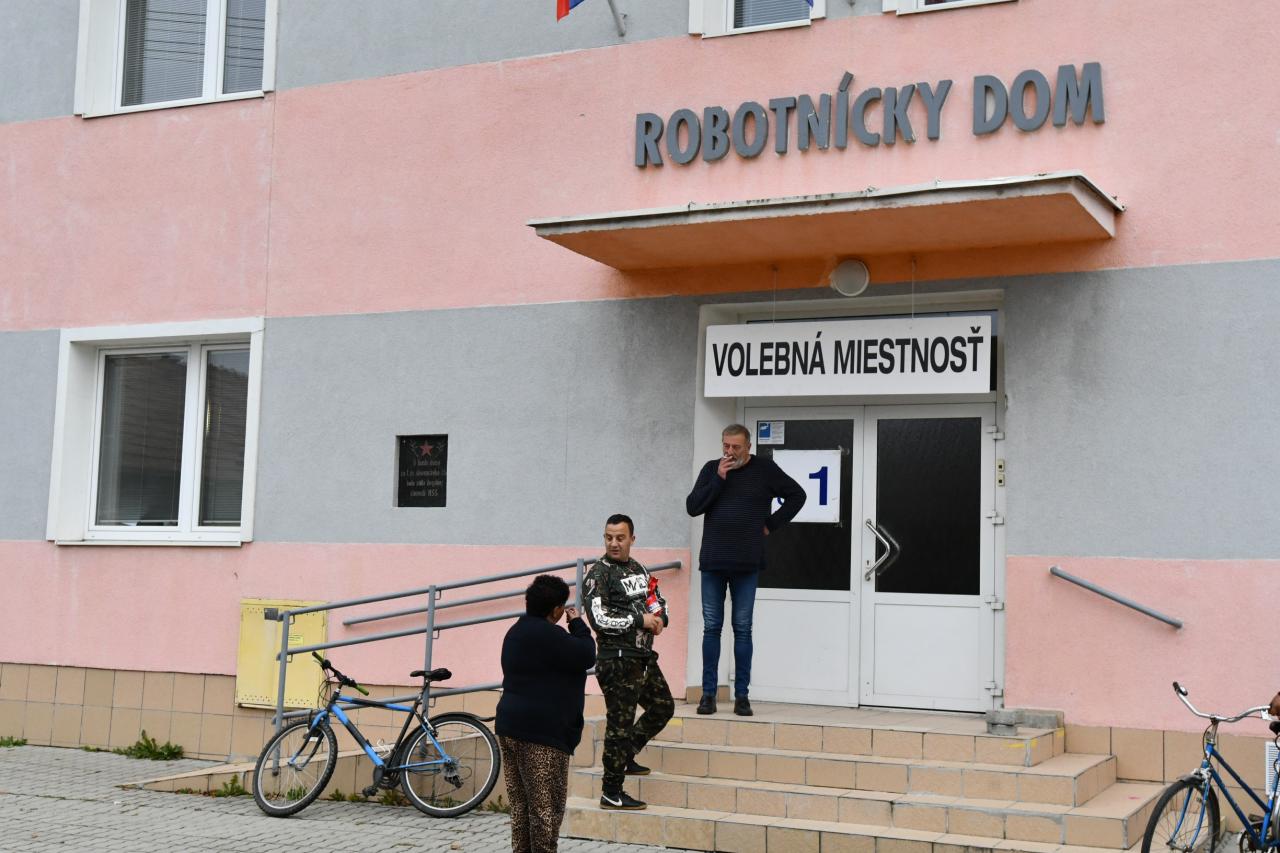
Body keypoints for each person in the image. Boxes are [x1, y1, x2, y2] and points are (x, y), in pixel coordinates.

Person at [685, 423, 806, 717]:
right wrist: (718, 479)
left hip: (747, 561)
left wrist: (771, 525)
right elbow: (693, 507)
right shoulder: (712, 469)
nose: (730, 452)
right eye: (725, 446)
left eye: (736, 447)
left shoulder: (765, 470)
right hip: (713, 561)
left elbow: (797, 495)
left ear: (749, 447)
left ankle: (742, 696)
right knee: (712, 628)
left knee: (742, 629)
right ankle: (708, 695)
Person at [494, 574, 596, 853]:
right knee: (546, 809)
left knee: (521, 806)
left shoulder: (515, 632)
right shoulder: (550, 635)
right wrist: (577, 623)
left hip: (510, 727)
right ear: (556, 610)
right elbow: (587, 654)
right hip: (541, 736)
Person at [582, 513, 675, 811]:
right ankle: (611, 791)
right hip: (617, 660)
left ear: (632, 539)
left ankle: (626, 754)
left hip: (643, 658)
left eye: (620, 538)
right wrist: (639, 620)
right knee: (619, 725)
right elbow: (599, 619)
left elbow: (655, 599)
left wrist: (659, 618)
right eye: (609, 537)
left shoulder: (639, 569)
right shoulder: (598, 574)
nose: (614, 543)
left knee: (663, 707)